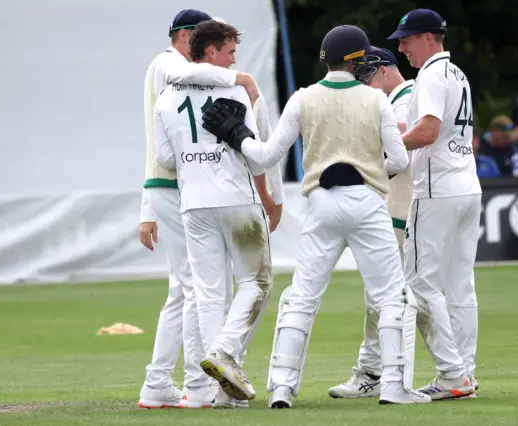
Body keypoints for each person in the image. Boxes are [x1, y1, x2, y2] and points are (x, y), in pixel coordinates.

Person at [202, 24, 431, 408]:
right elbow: (400, 159)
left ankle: (281, 389)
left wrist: (238, 134)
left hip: (321, 202)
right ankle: (393, 386)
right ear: (359, 61)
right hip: (367, 200)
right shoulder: (376, 100)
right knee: (391, 296)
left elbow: (264, 156)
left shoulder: (303, 98)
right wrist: (369, 167)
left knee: (302, 296)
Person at [138, 9, 282, 409]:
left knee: (207, 293)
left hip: (193, 204)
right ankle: (226, 354)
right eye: (231, 51)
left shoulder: (166, 96)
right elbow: (257, 159)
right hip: (237, 199)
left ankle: (217, 389)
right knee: (256, 282)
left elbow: (165, 157)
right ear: (212, 51)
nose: (235, 59)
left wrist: (194, 154)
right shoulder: (236, 91)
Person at [387, 8, 480, 400]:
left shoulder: (429, 75)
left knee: (419, 283)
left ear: (428, 38)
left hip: (437, 187)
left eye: (406, 40)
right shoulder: (457, 73)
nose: (402, 48)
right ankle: (465, 374)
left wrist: (386, 148)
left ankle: (452, 375)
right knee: (460, 286)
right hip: (467, 185)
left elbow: (427, 130)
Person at [328, 46, 416, 399]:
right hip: (393, 209)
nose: (361, 85)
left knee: (389, 297)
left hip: (399, 211)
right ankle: (382, 372)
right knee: (389, 296)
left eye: (365, 76)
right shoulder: (399, 99)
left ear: (381, 71)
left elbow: (399, 153)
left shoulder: (404, 100)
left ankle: (378, 374)